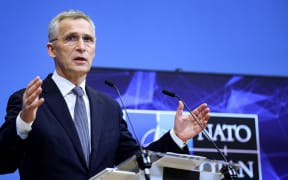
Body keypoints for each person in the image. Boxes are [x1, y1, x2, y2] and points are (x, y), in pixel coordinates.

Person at [0, 10, 210, 180]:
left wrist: (176, 137)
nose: (81, 47)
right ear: (51, 49)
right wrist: (23, 123)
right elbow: (3, 162)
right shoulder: (27, 101)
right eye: (71, 38)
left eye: (88, 40)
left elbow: (138, 162)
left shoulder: (108, 107)